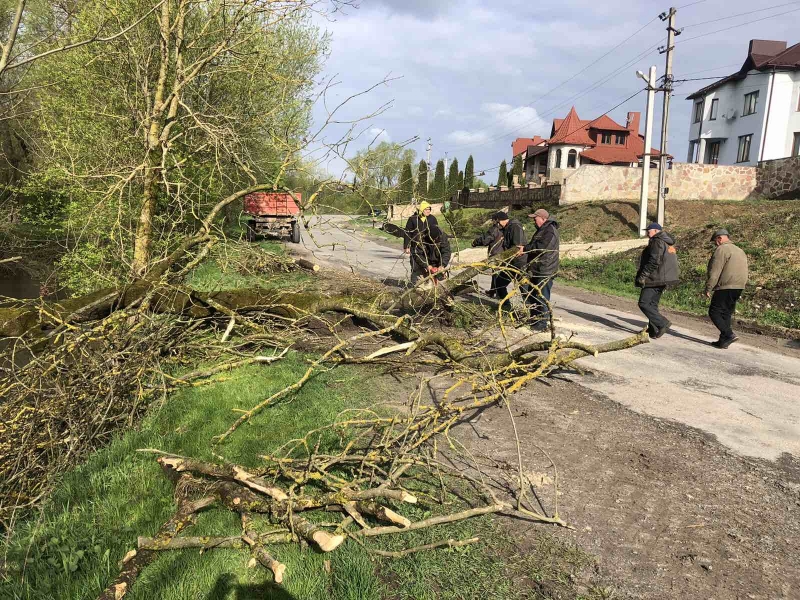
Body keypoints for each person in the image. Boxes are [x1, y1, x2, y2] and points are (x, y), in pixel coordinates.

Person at [635, 222, 680, 339]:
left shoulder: (656, 241)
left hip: (655, 278)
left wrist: (643, 276)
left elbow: (654, 261)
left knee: (643, 303)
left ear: (655, 231)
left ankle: (662, 323)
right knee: (652, 304)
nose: (647, 233)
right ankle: (653, 330)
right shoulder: (666, 241)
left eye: (648, 230)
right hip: (664, 278)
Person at [705, 229, 748, 349]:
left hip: (726, 285)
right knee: (726, 313)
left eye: (715, 241)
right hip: (739, 286)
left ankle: (728, 334)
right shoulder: (739, 250)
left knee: (714, 311)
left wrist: (709, 287)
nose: (715, 244)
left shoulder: (722, 249)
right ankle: (723, 340)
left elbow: (715, 270)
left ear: (719, 238)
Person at [524, 208, 560, 331]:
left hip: (545, 270)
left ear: (543, 219)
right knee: (533, 295)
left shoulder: (550, 231)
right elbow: (534, 245)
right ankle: (534, 319)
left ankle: (542, 323)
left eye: (535, 219)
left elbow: (541, 248)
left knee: (542, 297)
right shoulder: (542, 230)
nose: (534, 221)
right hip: (537, 269)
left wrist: (525, 249)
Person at [492, 211, 526, 299]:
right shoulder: (508, 228)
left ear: (501, 220)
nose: (498, 225)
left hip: (519, 262)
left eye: (498, 222)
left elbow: (517, 247)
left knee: (524, 287)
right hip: (511, 262)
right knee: (499, 283)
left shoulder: (515, 227)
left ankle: (531, 308)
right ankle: (505, 305)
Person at [404, 201, 439, 284]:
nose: (428, 211)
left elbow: (436, 232)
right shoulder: (413, 219)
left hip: (428, 248)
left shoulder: (432, 219)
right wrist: (407, 246)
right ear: (421, 210)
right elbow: (407, 232)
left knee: (428, 266)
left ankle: (428, 285)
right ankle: (414, 284)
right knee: (415, 266)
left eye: (429, 209)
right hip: (415, 247)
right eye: (426, 209)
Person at [471, 217, 505, 297]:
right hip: (503, 253)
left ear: (496, 220)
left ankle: (498, 293)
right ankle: (493, 291)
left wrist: (475, 242)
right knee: (497, 273)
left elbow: (486, 240)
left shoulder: (494, 229)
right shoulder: (505, 229)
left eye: (493, 220)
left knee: (496, 274)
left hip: (496, 254)